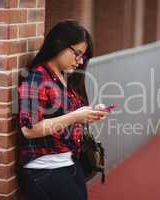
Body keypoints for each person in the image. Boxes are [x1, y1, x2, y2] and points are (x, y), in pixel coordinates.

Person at [17, 20, 108, 200]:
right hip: (44, 169)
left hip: (68, 163)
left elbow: (64, 116)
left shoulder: (64, 76)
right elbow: (29, 129)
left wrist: (87, 114)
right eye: (77, 54)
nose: (80, 61)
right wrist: (75, 116)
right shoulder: (37, 77)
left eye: (83, 56)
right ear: (59, 44)